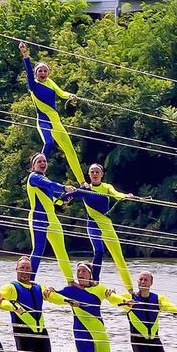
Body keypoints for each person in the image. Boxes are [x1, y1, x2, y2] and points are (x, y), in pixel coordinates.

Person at [0, 256, 66, 352]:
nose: (25, 270)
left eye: (27, 268)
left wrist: (68, 301)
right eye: (22, 268)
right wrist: (5, 302)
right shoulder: (11, 287)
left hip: (41, 332)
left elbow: (54, 297)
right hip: (23, 332)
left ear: (31, 270)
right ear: (16, 270)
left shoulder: (39, 287)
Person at [52, 262, 127, 352]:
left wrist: (123, 300)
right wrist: (49, 291)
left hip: (100, 335)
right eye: (78, 271)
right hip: (81, 334)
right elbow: (54, 298)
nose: (80, 274)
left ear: (90, 274)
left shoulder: (99, 289)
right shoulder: (71, 291)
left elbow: (113, 298)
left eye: (83, 271)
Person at [19, 42, 84, 184]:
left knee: (70, 150)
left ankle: (82, 182)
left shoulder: (50, 82)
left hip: (56, 122)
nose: (42, 73)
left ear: (48, 72)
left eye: (45, 71)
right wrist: (25, 55)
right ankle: (37, 172)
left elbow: (61, 93)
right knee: (49, 143)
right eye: (40, 71)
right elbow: (28, 72)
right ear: (36, 74)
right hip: (43, 121)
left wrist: (70, 96)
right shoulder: (33, 85)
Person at [77, 163, 136, 293]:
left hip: (106, 225)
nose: (95, 174)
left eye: (97, 172)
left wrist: (125, 196)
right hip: (92, 224)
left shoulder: (106, 187)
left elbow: (116, 194)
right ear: (89, 175)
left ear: (102, 174)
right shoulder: (85, 189)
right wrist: (59, 198)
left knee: (119, 257)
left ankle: (131, 290)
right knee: (98, 250)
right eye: (92, 172)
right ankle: (95, 280)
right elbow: (68, 196)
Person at [26, 153, 75, 285]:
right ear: (33, 165)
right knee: (38, 249)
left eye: (45, 161)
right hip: (38, 219)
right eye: (39, 161)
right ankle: (29, 281)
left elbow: (51, 198)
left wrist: (64, 199)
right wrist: (64, 187)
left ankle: (70, 282)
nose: (43, 163)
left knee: (61, 251)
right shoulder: (34, 178)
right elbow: (50, 185)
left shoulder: (44, 179)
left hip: (52, 220)